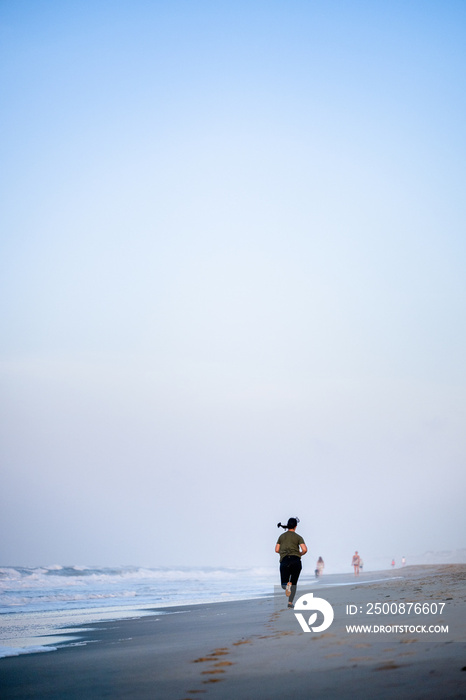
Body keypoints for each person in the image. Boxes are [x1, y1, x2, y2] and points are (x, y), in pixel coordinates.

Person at [275, 517, 307, 608]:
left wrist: (283, 552)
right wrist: (299, 554)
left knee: (284, 584)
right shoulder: (298, 537)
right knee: (294, 583)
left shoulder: (281, 536)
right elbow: (304, 549)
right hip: (296, 561)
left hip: (285, 561)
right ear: (295, 526)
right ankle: (290, 603)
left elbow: (276, 550)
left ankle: (286, 585)